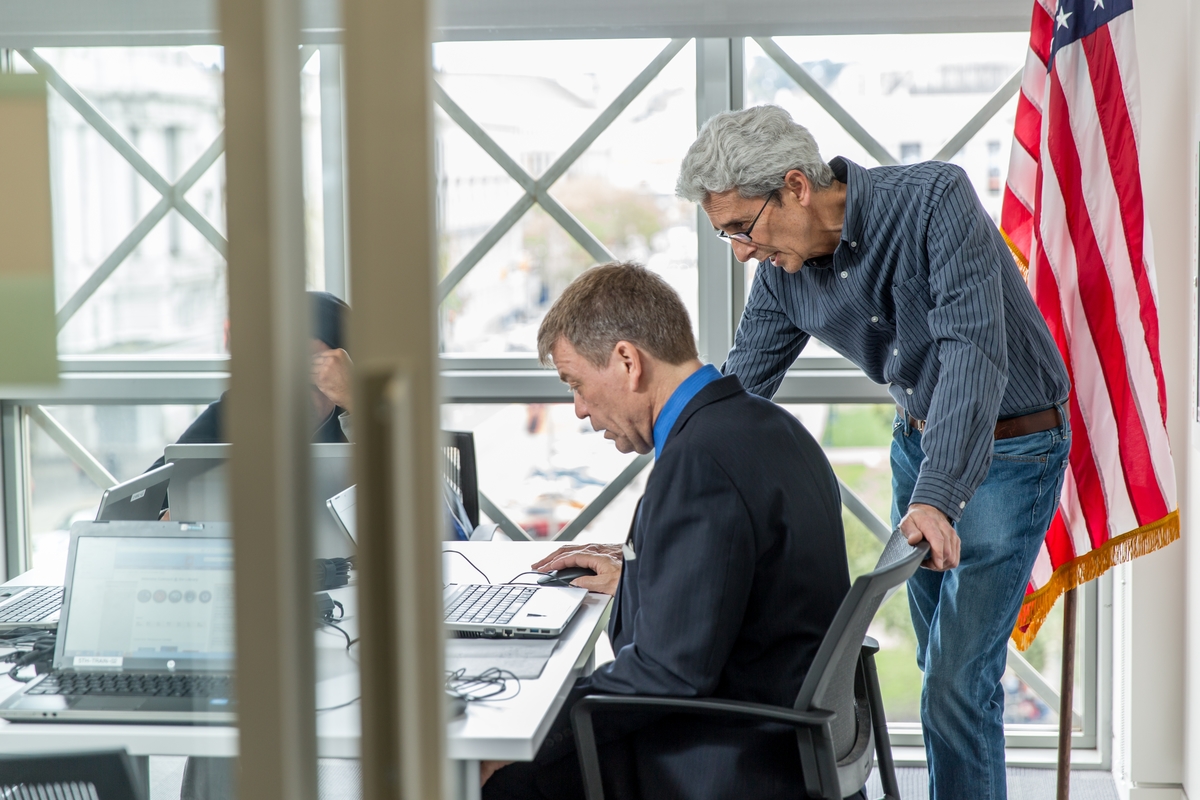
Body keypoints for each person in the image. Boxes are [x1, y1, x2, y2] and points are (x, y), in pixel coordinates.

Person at [673, 105, 1072, 799]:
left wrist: (935, 497)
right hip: (918, 450)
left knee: (956, 679)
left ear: (796, 186)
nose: (740, 251)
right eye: (724, 236)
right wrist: (655, 528)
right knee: (941, 666)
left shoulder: (933, 201)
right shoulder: (782, 275)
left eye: (742, 227)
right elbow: (733, 403)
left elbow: (972, 352)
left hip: (1013, 448)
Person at [483, 262, 853, 799]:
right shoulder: (771, 427)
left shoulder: (698, 462)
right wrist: (645, 571)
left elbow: (666, 676)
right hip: (781, 739)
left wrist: (521, 736)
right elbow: (746, 582)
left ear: (627, 360)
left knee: (500, 779)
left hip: (723, 757)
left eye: (577, 384)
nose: (581, 410)